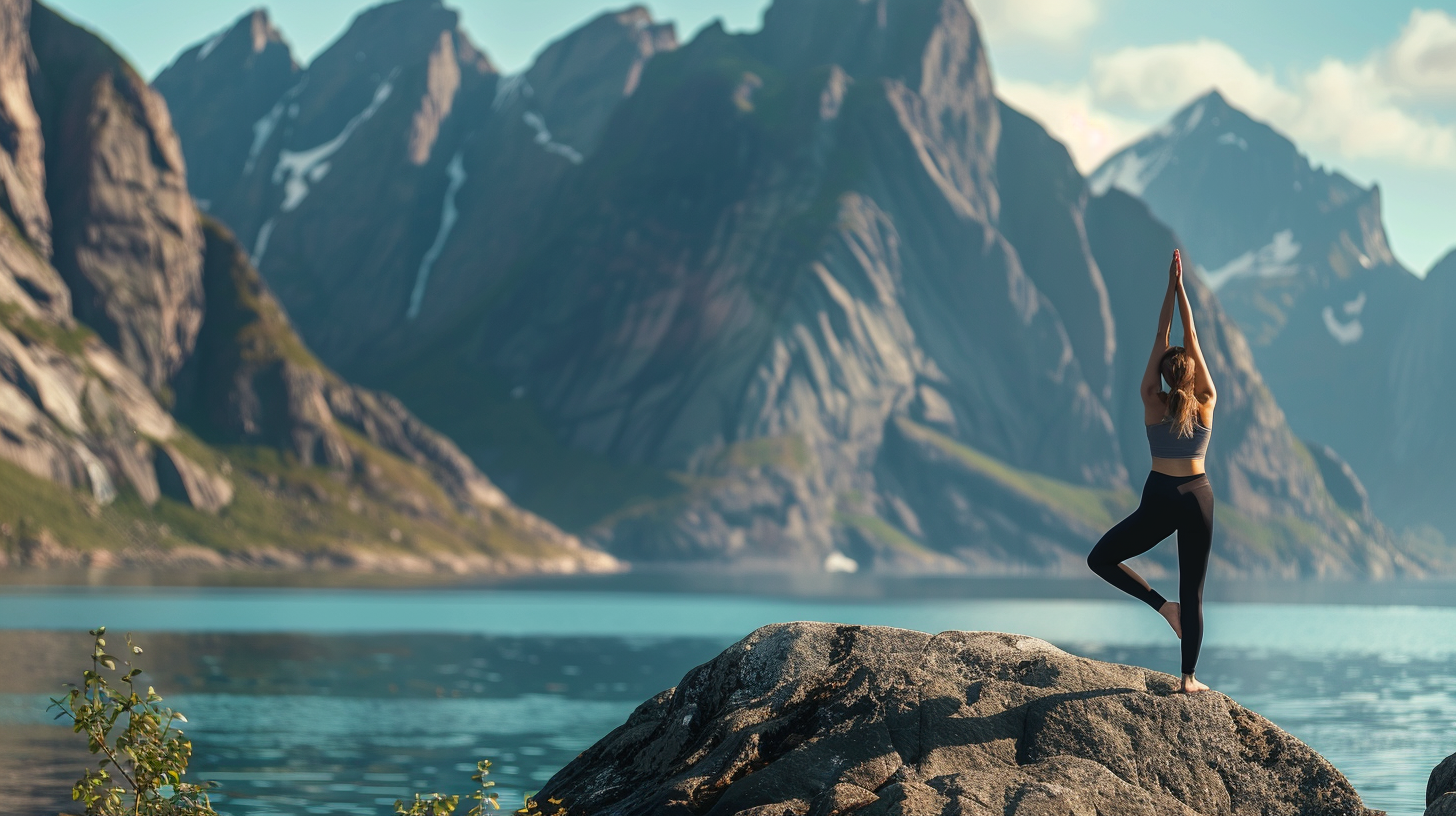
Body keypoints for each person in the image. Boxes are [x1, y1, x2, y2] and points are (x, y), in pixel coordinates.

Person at [1087, 249, 1216, 694]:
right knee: (1194, 589)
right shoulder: (1207, 401)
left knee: (1100, 558)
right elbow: (1189, 333)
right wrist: (1183, 290)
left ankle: (1163, 608)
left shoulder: (1150, 400)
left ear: (1162, 376)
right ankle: (1189, 680)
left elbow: (1163, 335)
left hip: (1161, 494)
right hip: (1198, 495)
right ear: (1193, 374)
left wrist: (1169, 285)